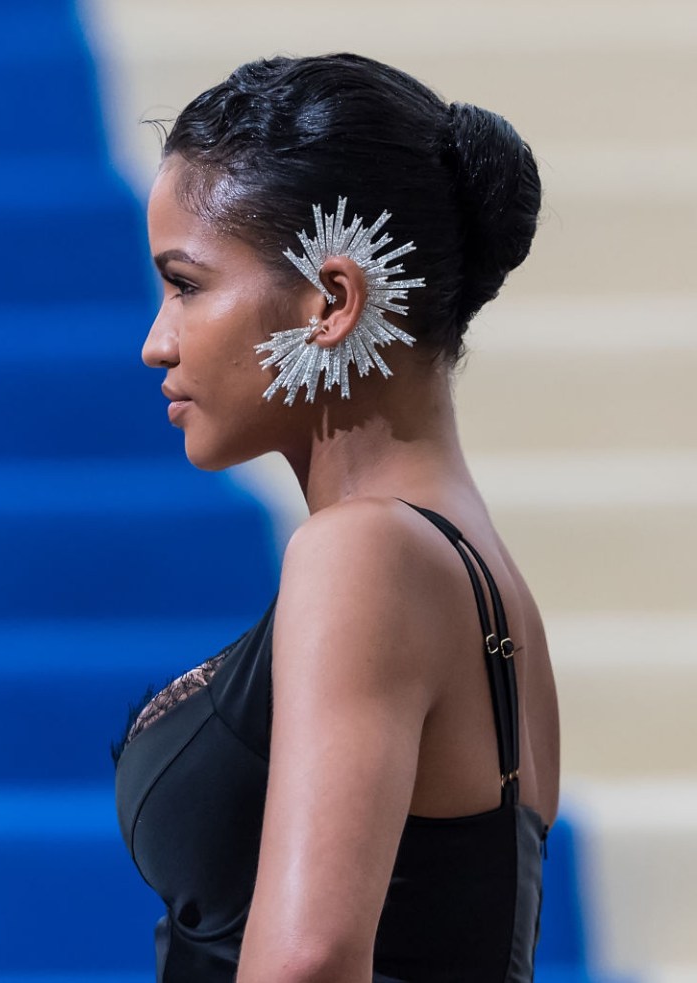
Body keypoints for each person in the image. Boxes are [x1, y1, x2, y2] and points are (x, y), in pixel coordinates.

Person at [114, 52, 560, 983]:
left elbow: (308, 962)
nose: (156, 342)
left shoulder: (364, 553)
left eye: (186, 284)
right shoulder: (480, 575)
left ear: (331, 301)